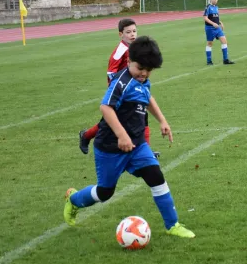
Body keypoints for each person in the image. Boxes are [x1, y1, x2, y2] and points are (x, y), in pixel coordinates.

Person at [64, 36, 195, 238]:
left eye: (148, 70)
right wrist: (121, 135)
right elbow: (105, 108)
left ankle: (172, 225)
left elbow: (147, 97)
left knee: (156, 178)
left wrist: (162, 120)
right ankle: (73, 199)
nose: (144, 74)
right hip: (110, 147)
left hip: (137, 145)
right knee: (105, 193)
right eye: (140, 68)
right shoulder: (121, 82)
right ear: (128, 62)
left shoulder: (143, 80)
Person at [79, 19, 157, 158]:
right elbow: (111, 70)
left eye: (134, 31)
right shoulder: (121, 49)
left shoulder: (134, 48)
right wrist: (118, 87)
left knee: (142, 116)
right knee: (108, 122)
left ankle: (147, 151)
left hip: (134, 89)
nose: (132, 35)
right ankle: (86, 135)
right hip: (121, 91)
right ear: (121, 34)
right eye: (128, 32)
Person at [203, 0, 235, 66]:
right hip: (210, 28)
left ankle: (225, 60)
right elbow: (205, 18)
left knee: (224, 41)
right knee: (210, 44)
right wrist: (213, 23)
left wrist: (220, 22)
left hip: (217, 28)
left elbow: (215, 17)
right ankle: (209, 61)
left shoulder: (216, 7)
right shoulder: (208, 7)